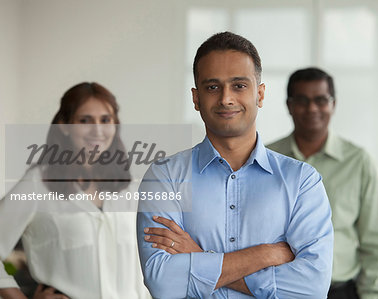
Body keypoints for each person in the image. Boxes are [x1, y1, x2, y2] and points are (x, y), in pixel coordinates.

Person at [137, 32, 333, 298]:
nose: (226, 98)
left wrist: (196, 257)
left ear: (260, 94)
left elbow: (311, 289)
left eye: (239, 85)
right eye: (212, 87)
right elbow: (163, 283)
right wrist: (266, 254)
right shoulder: (164, 176)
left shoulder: (302, 182)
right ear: (196, 99)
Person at [0, 82, 151, 299]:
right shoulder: (38, 183)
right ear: (64, 126)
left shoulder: (131, 188)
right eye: (84, 120)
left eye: (105, 120)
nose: (97, 130)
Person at [267, 67, 378, 299]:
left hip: (340, 291)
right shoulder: (266, 160)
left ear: (333, 104)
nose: (312, 108)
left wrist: (373, 295)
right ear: (289, 106)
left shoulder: (359, 162)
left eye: (321, 100)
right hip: (276, 290)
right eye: (302, 100)